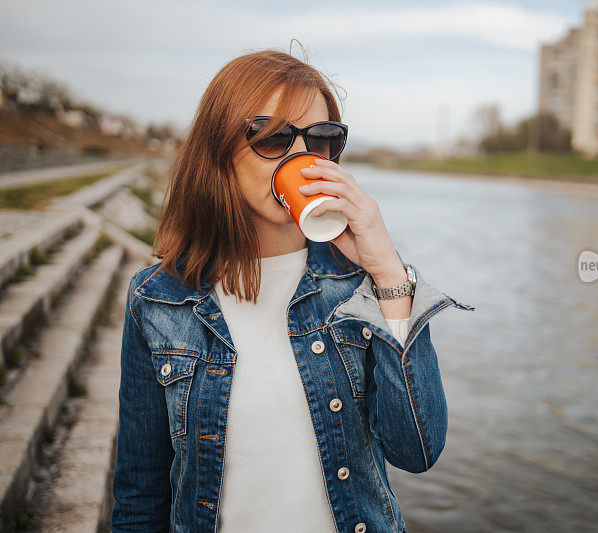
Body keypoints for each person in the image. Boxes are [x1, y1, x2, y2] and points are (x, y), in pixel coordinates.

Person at [110, 48, 475, 532]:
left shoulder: (358, 288)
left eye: (321, 139)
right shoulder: (158, 300)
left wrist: (387, 270)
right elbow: (140, 490)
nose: (300, 156)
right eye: (274, 136)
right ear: (220, 150)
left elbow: (418, 450)